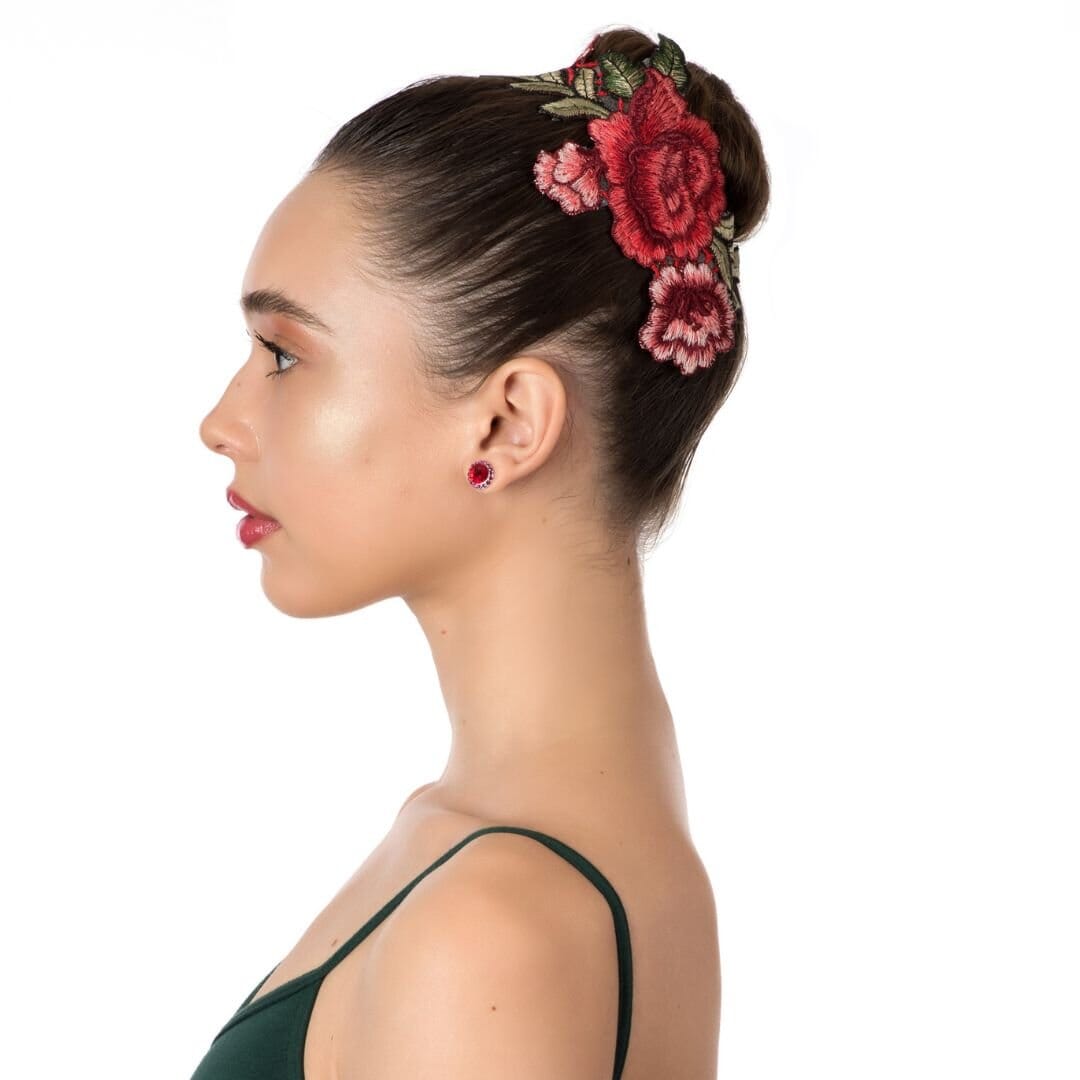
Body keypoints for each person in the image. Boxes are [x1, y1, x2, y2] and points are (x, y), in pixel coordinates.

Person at [193, 24, 769, 1080]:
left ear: (507, 425)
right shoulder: (520, 846)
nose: (219, 423)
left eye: (283, 354)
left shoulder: (491, 927)